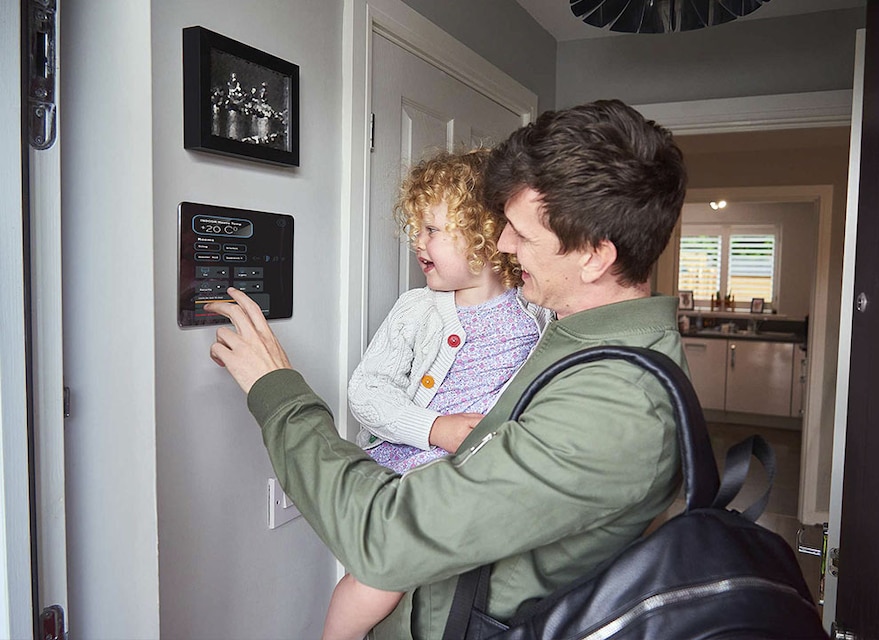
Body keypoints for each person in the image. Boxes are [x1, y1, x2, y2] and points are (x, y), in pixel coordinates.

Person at [206, 98, 688, 640]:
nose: (502, 244)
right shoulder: (577, 336)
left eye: (522, 234)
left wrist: (275, 390)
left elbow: (386, 538)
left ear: (595, 256)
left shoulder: (617, 405)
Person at [323, 149, 552, 640]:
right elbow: (366, 391)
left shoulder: (537, 313)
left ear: (486, 234)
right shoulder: (417, 310)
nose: (417, 241)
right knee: (379, 580)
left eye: (431, 229)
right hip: (412, 469)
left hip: (480, 480)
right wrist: (434, 428)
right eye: (417, 228)